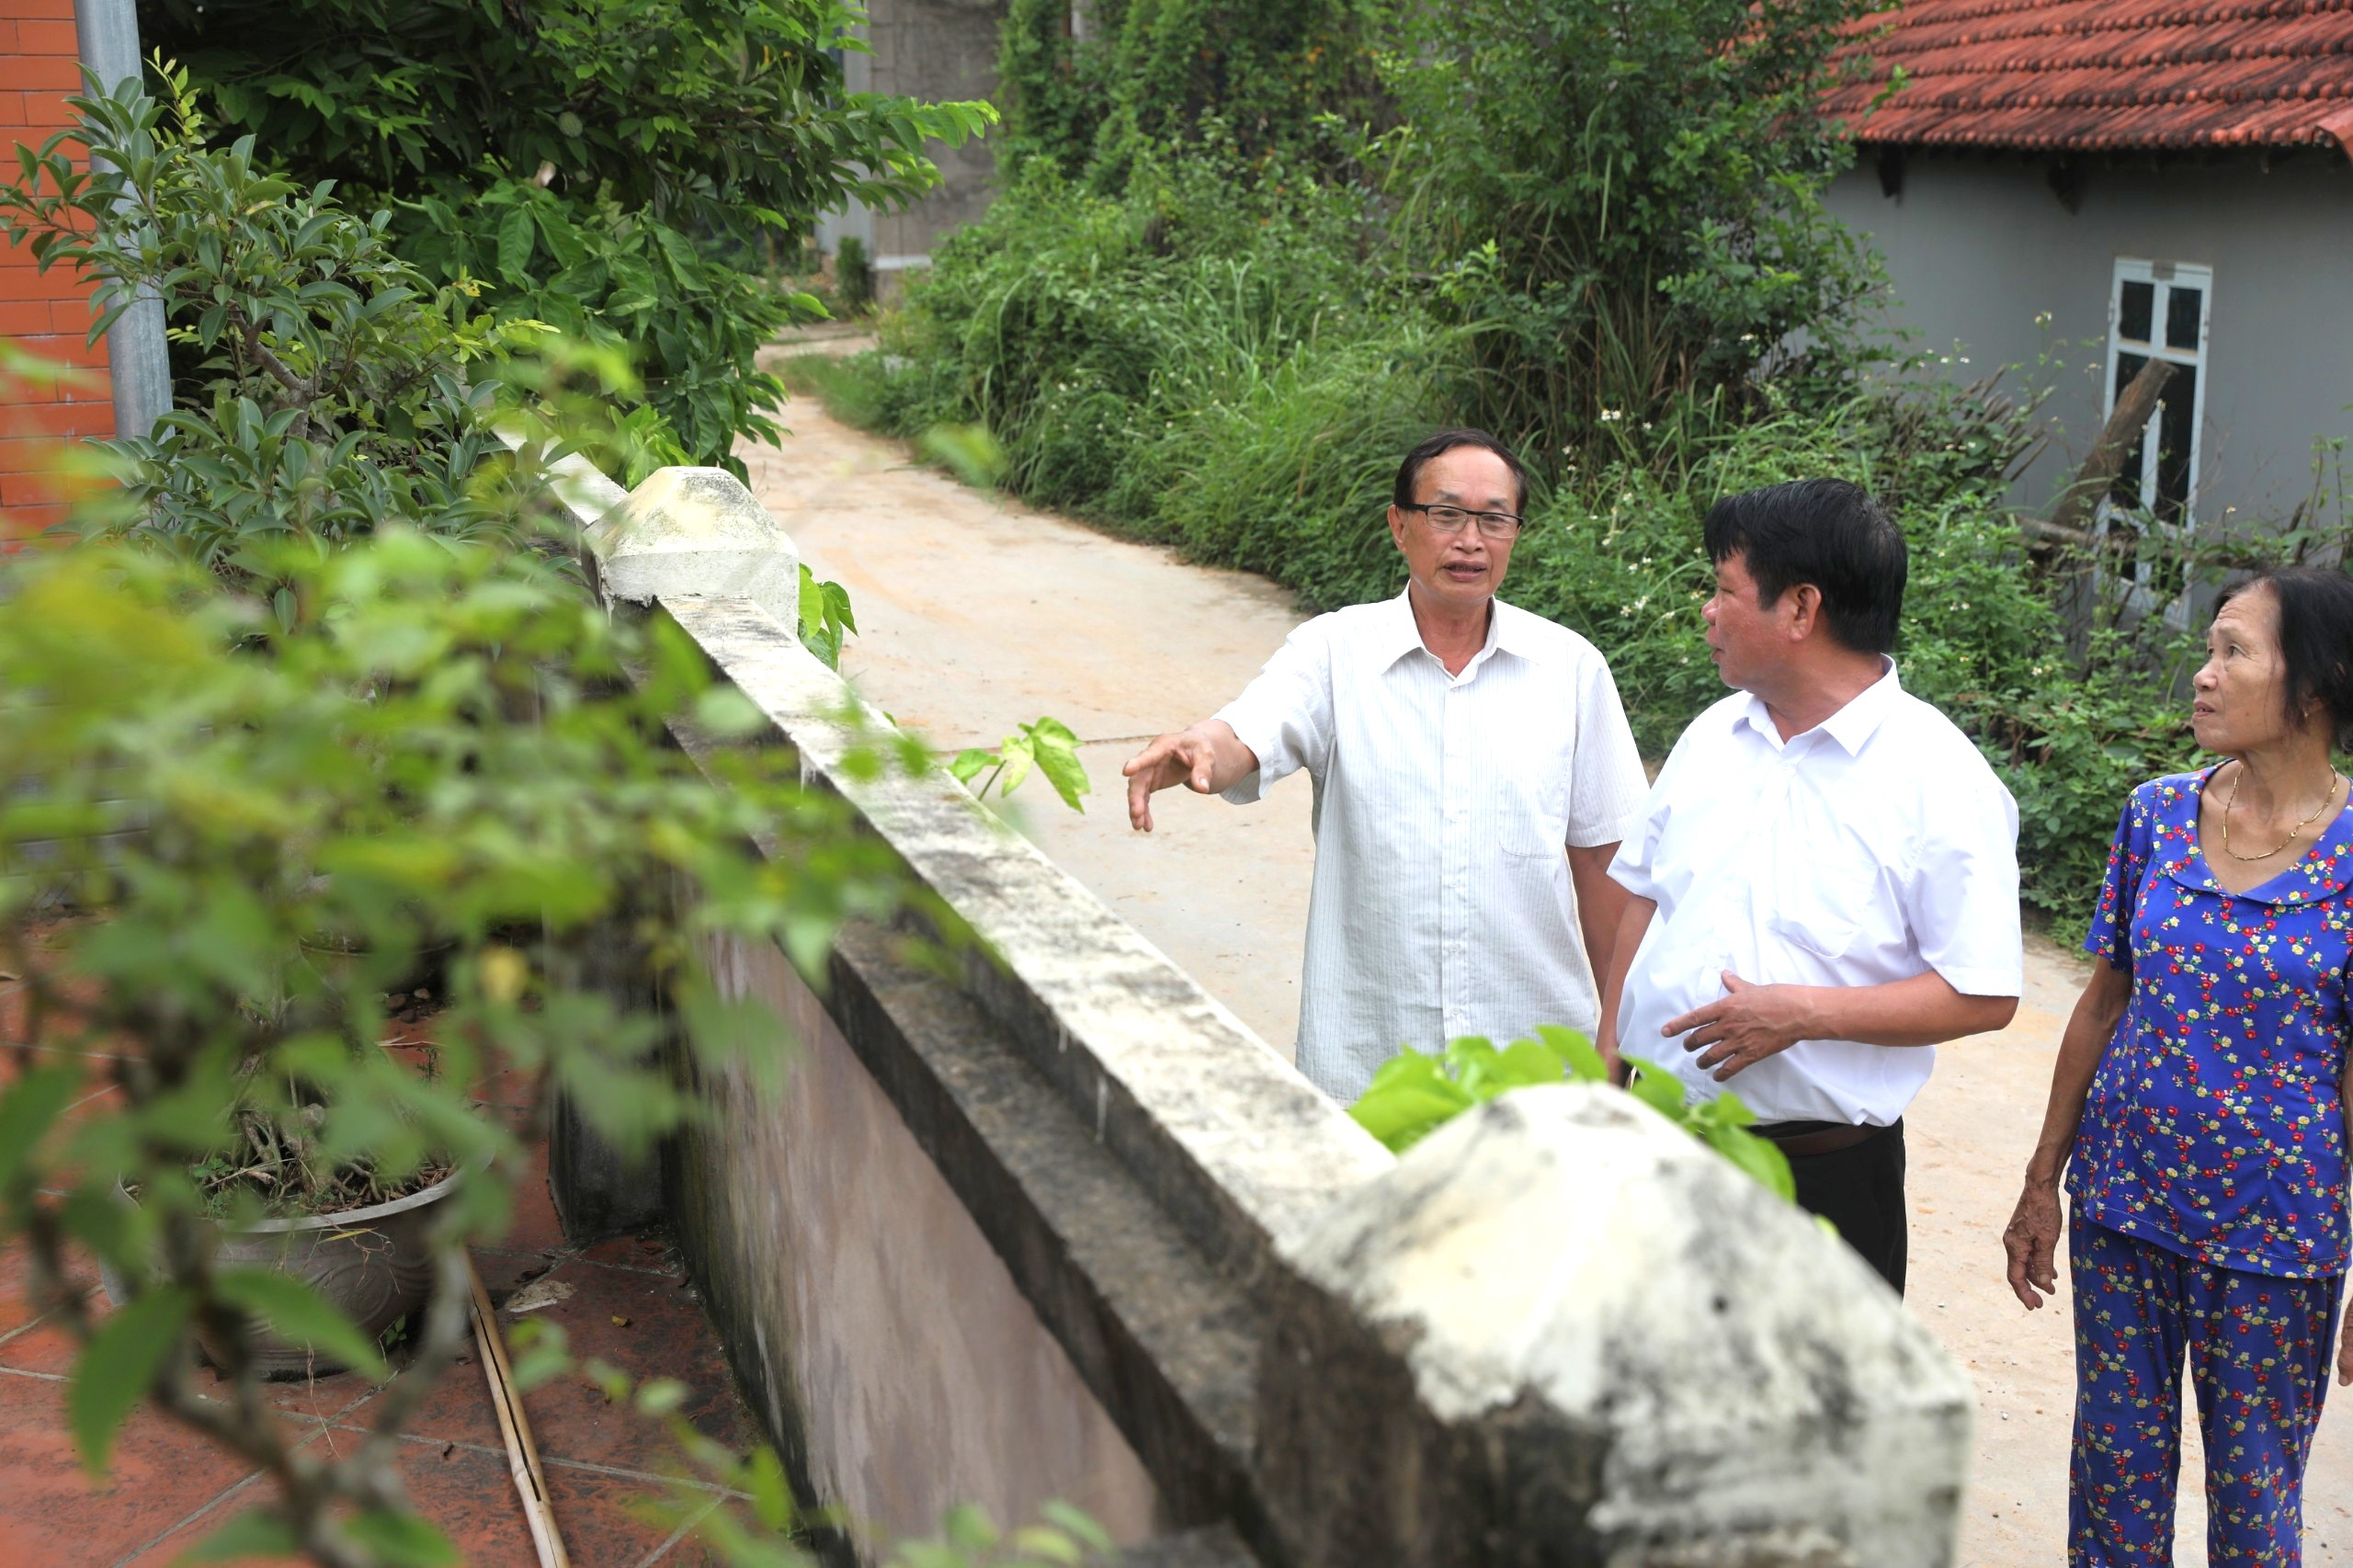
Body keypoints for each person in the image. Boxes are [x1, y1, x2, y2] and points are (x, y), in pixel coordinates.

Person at [1121, 428, 1649, 1102]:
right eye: (1447, 514)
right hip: (1373, 1066)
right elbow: (1252, 728)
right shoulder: (1334, 652)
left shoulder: (1571, 670)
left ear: (1516, 532)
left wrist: (1613, 1045)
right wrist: (1201, 745)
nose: (1471, 540)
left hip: (1538, 1067)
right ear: (1400, 525)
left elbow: (1605, 870)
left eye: (1495, 519)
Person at [2003, 566, 2353, 1567]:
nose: (2203, 674)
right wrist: (2042, 1181)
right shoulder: (2154, 813)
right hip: (2124, 1210)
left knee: (2253, 1510)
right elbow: (2102, 1000)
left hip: (2275, 1239)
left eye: (2233, 651)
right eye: (2209, 649)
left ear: (2315, 683)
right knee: (2111, 1500)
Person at [1595, 477, 2021, 1294]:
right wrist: (1608, 1064)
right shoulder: (1714, 735)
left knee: (1807, 1421)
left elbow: (1983, 993)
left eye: (1725, 590)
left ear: (1800, 609)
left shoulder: (1939, 780)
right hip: (1658, 1149)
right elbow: (1644, 901)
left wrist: (1801, 1014)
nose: (1709, 612)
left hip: (1817, 1187)